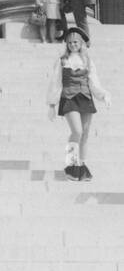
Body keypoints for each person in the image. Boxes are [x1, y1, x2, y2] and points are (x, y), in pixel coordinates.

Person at [47, 25, 109, 181]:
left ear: (81, 43)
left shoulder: (87, 60)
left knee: (85, 135)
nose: (73, 45)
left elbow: (94, 82)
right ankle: (71, 165)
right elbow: (55, 83)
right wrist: (51, 104)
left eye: (75, 42)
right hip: (69, 97)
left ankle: (81, 166)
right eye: (70, 43)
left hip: (86, 98)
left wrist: (103, 95)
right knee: (77, 131)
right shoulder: (62, 61)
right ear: (67, 44)